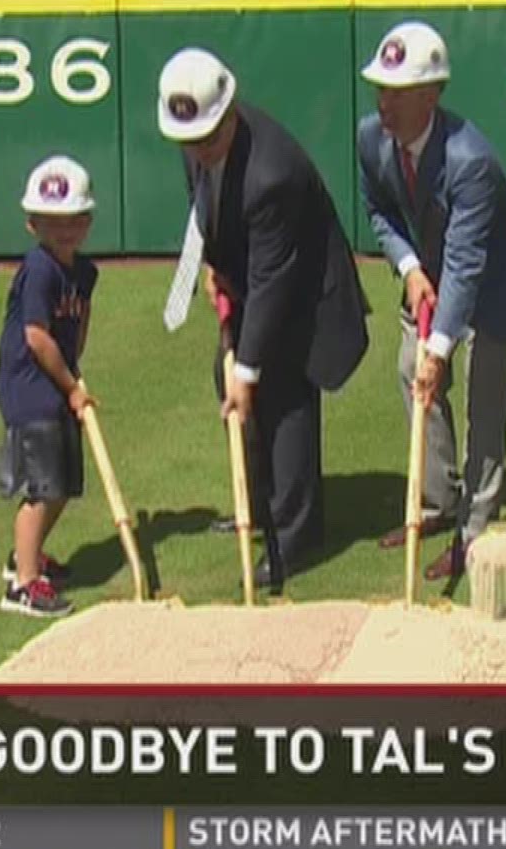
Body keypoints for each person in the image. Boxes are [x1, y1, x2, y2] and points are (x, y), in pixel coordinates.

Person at [157, 47, 370, 594]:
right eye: (191, 140)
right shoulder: (194, 146)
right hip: (253, 277)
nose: (199, 150)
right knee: (226, 382)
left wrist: (248, 372)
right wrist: (213, 266)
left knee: (282, 399)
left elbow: (274, 281)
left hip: (301, 295)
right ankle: (256, 506)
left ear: (230, 113)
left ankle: (294, 538)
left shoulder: (272, 174)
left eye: (208, 137)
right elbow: (205, 204)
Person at [356, 20, 506, 579]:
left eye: (397, 93)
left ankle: (472, 530)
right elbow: (378, 211)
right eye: (380, 89)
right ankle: (436, 501)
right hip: (432, 266)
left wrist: (440, 348)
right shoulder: (370, 138)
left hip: (497, 276)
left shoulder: (469, 159)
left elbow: (468, 263)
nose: (385, 103)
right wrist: (408, 267)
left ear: (432, 94)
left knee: (482, 403)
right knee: (408, 370)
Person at [0, 155, 100, 618]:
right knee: (42, 485)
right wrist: (72, 386)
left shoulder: (84, 272)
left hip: (56, 382)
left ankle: (28, 555)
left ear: (87, 220)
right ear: (32, 223)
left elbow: (79, 325)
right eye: (52, 222)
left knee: (62, 482)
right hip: (30, 387)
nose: (64, 230)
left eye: (73, 220)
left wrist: (75, 374)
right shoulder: (39, 270)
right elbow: (36, 337)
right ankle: (23, 584)